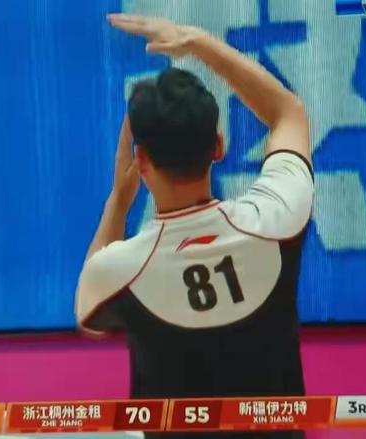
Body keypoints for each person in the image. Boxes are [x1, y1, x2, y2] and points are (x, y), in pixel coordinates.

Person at [75, 14, 314, 439]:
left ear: (141, 162)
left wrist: (119, 201)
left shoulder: (119, 269)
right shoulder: (277, 218)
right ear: (218, 145)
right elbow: (288, 114)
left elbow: (88, 315)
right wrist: (199, 43)